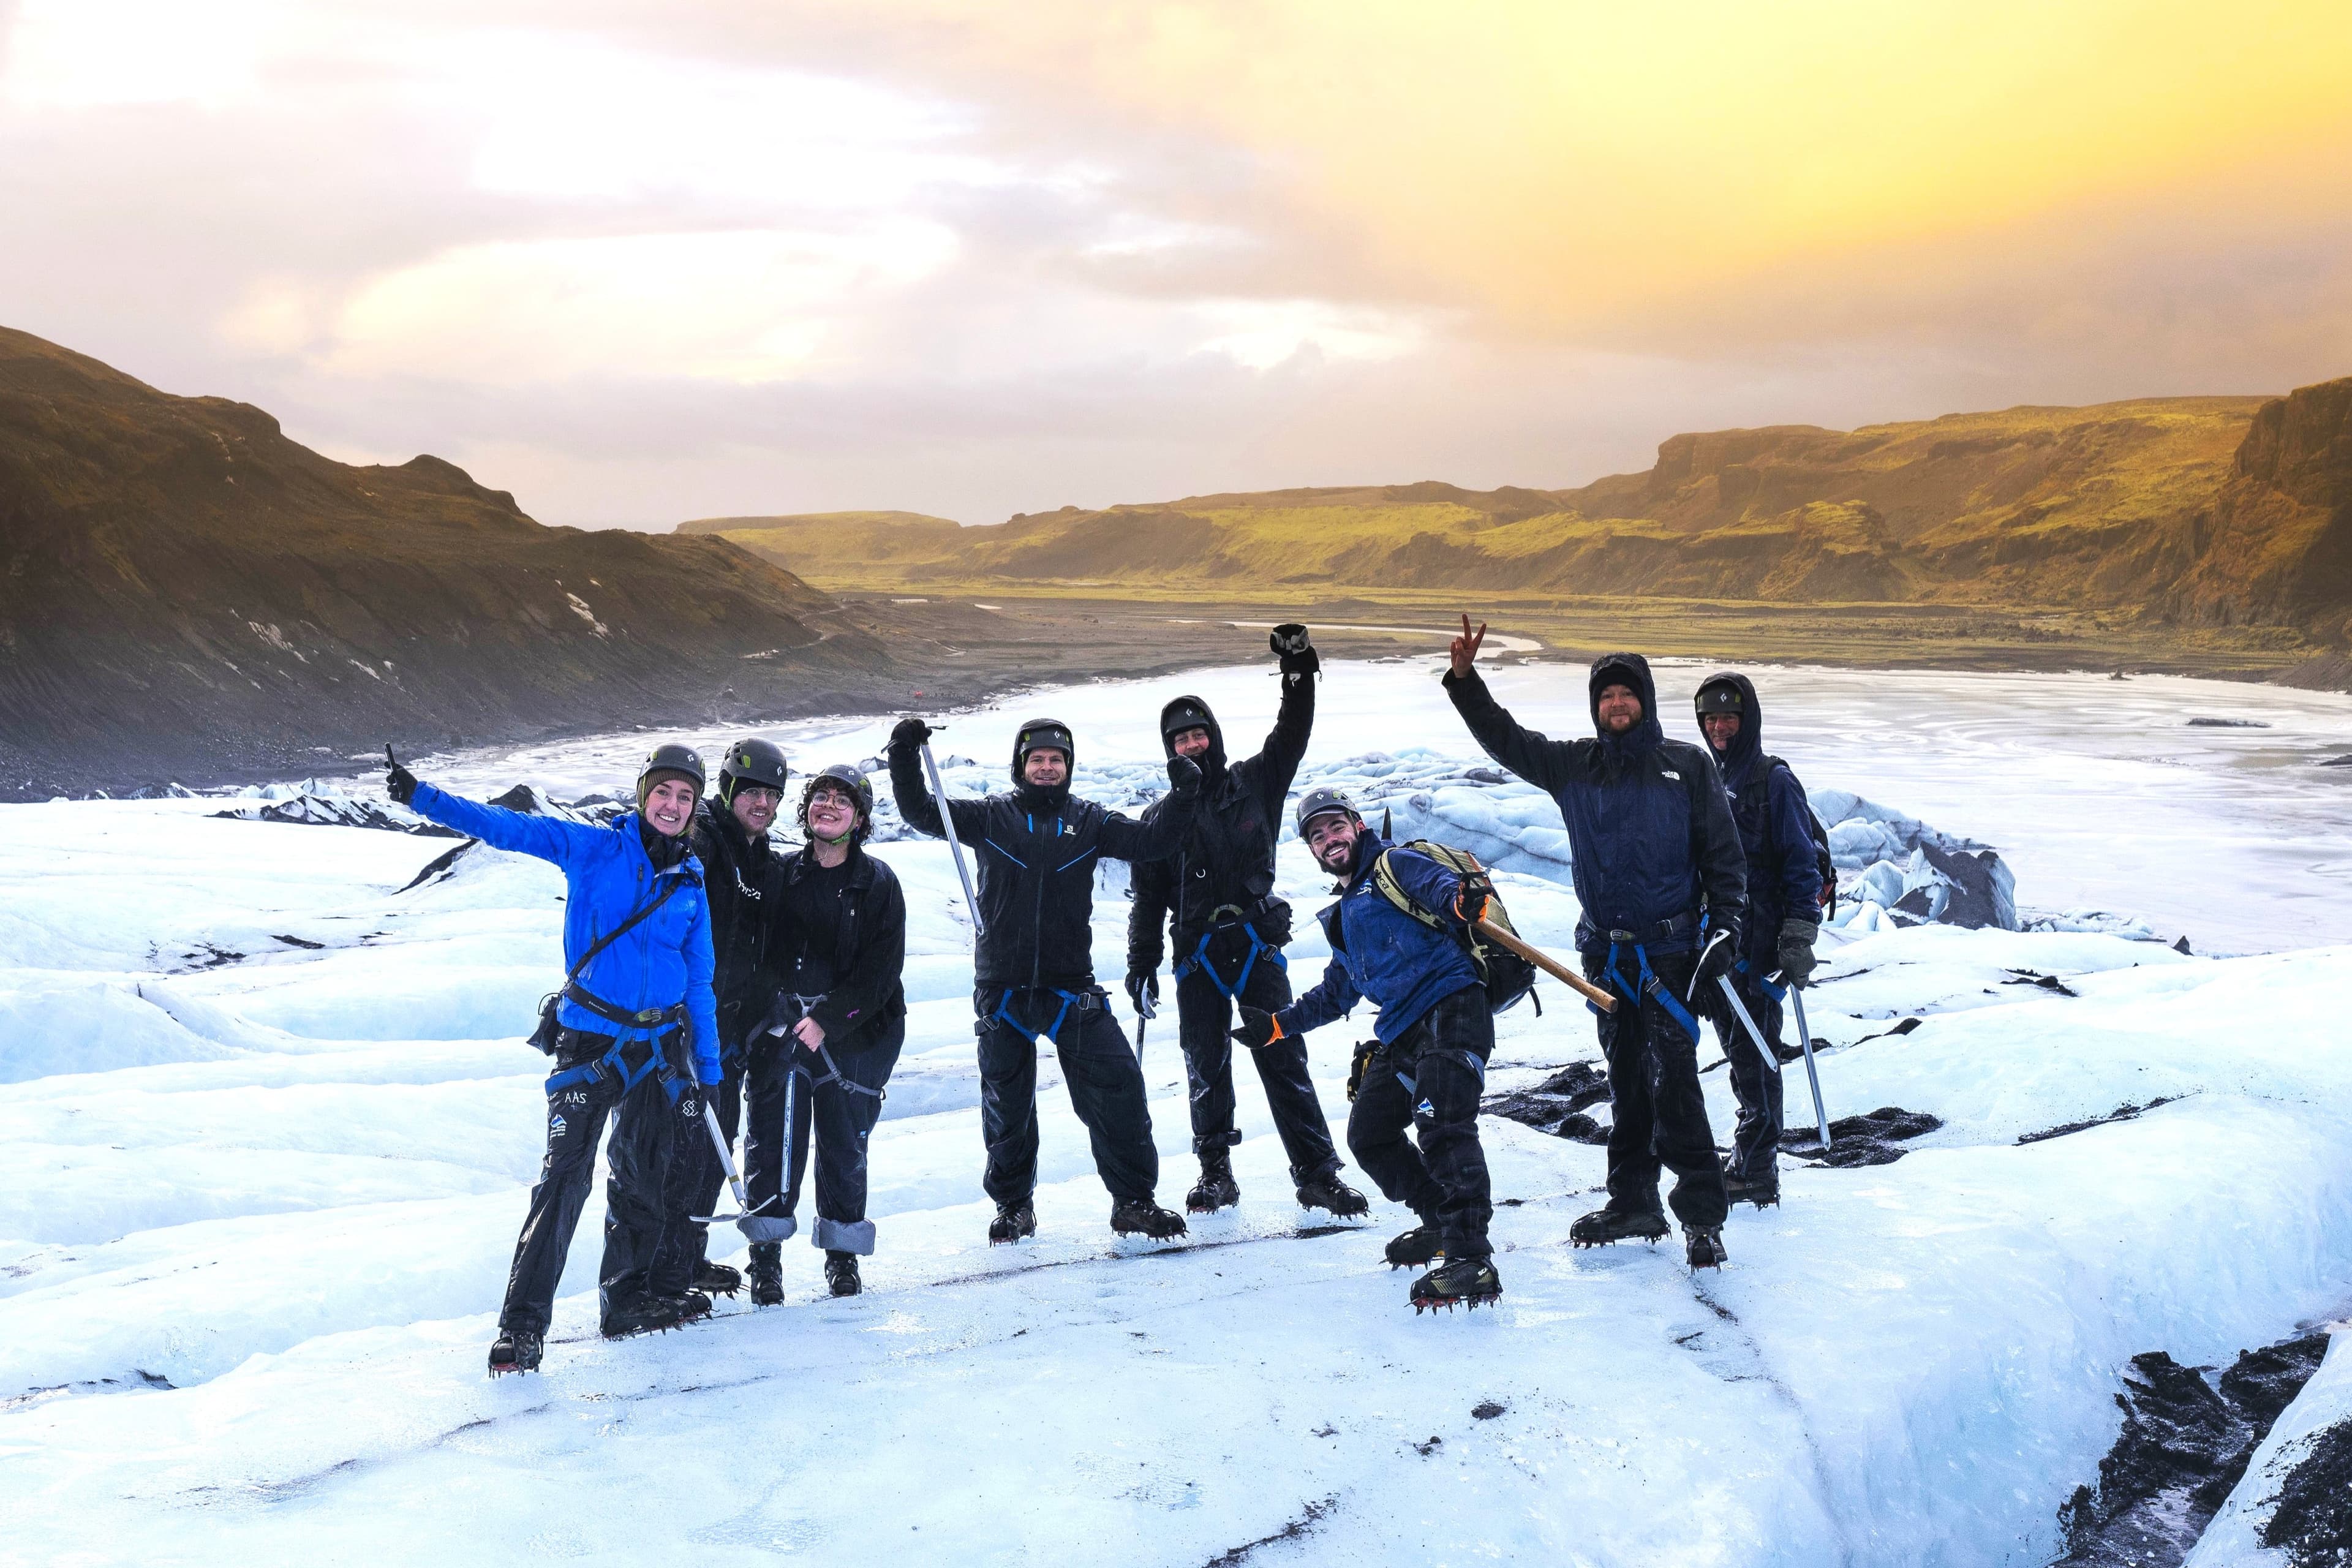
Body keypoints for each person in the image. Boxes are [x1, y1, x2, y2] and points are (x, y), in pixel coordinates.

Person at [386, 742, 722, 1373]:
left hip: (658, 1048)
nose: (673, 805)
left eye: (685, 796)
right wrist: (422, 797)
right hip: (590, 1042)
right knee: (564, 1182)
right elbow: (507, 828)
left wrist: (709, 1068)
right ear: (643, 794)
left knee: (642, 1179)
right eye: (663, 791)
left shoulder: (691, 880)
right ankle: (522, 1329)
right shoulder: (594, 849)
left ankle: (625, 1303)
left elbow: (699, 981)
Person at [1442, 619, 1749, 1270]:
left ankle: (1702, 1216)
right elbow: (1506, 739)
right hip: (1606, 958)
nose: (1617, 704)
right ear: (1595, 705)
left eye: (1626, 694)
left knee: (1676, 1085)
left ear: (1646, 700)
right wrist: (1466, 682)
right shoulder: (1574, 766)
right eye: (1606, 695)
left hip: (1670, 955)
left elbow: (1724, 858)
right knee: (1627, 1081)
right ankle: (1634, 1201)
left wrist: (1724, 929)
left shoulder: (1686, 766)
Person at [888, 715, 1202, 1243]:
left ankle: (1133, 1202)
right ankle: (1014, 1207)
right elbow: (922, 811)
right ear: (1021, 766)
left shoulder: (1090, 820)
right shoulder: (991, 817)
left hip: (1070, 987)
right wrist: (903, 753)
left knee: (1119, 1087)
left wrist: (1184, 794)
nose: (1048, 767)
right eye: (1038, 759)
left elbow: (1153, 841)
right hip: (1002, 989)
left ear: (1069, 767)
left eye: (1057, 759)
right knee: (1007, 1106)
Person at [1126, 625, 1366, 1219]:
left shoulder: (1257, 782)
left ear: (1213, 736)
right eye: (1180, 739)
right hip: (1197, 954)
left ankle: (1318, 1174)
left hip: (1257, 944)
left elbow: (1293, 731)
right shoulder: (1159, 817)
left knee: (1283, 1056)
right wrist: (1141, 963)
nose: (1191, 744)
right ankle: (1216, 1175)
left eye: (1198, 733)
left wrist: (1297, 669)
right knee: (1205, 1064)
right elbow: (1149, 898)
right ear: (1170, 750)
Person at [1229, 788, 1501, 1312]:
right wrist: (1277, 1027)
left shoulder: (1395, 865)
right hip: (1401, 1031)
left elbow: (1443, 889)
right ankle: (1440, 1223)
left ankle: (1473, 1259)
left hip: (1451, 1008)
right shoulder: (1346, 913)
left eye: (1336, 827)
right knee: (1370, 1134)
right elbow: (1337, 993)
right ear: (1311, 849)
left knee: (1443, 1125)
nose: (1329, 840)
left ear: (1357, 826)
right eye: (1317, 835)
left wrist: (1463, 900)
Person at [745, 763, 908, 1301]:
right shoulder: (780, 875)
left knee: (844, 1144)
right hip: (784, 1028)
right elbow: (758, 953)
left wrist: (829, 1021)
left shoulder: (879, 883)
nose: (829, 806)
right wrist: (775, 1009)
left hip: (858, 1035)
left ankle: (842, 1257)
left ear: (859, 819)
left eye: (843, 800)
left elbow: (882, 971)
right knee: (773, 1141)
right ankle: (765, 1259)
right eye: (821, 796)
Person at [655, 737, 790, 1308]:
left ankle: (685, 1258)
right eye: (752, 791)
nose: (762, 803)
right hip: (685, 1026)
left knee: (714, 1142)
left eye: (772, 795)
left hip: (728, 1031)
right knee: (681, 1147)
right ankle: (662, 1273)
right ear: (729, 790)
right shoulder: (705, 844)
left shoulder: (761, 860)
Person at [1692, 674, 1823, 1209]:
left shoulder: (1774, 781)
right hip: (1725, 942)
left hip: (1763, 946)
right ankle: (1751, 1159)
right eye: (1710, 719)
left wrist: (1799, 935)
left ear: (1748, 721)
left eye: (1729, 718)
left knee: (1756, 1053)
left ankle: (1757, 1169)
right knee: (1740, 1050)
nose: (1719, 728)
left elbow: (1802, 862)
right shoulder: (1713, 778)